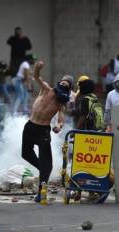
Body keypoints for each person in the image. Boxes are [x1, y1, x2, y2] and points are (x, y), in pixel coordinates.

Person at [22, 61, 73, 202]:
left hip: (43, 130)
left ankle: (41, 192)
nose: (64, 84)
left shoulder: (61, 104)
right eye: (63, 82)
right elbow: (37, 77)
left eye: (67, 84)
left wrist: (59, 126)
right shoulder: (47, 89)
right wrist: (37, 68)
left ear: (69, 89)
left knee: (47, 163)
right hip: (30, 126)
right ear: (59, 83)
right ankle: (43, 170)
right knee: (25, 154)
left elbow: (61, 119)